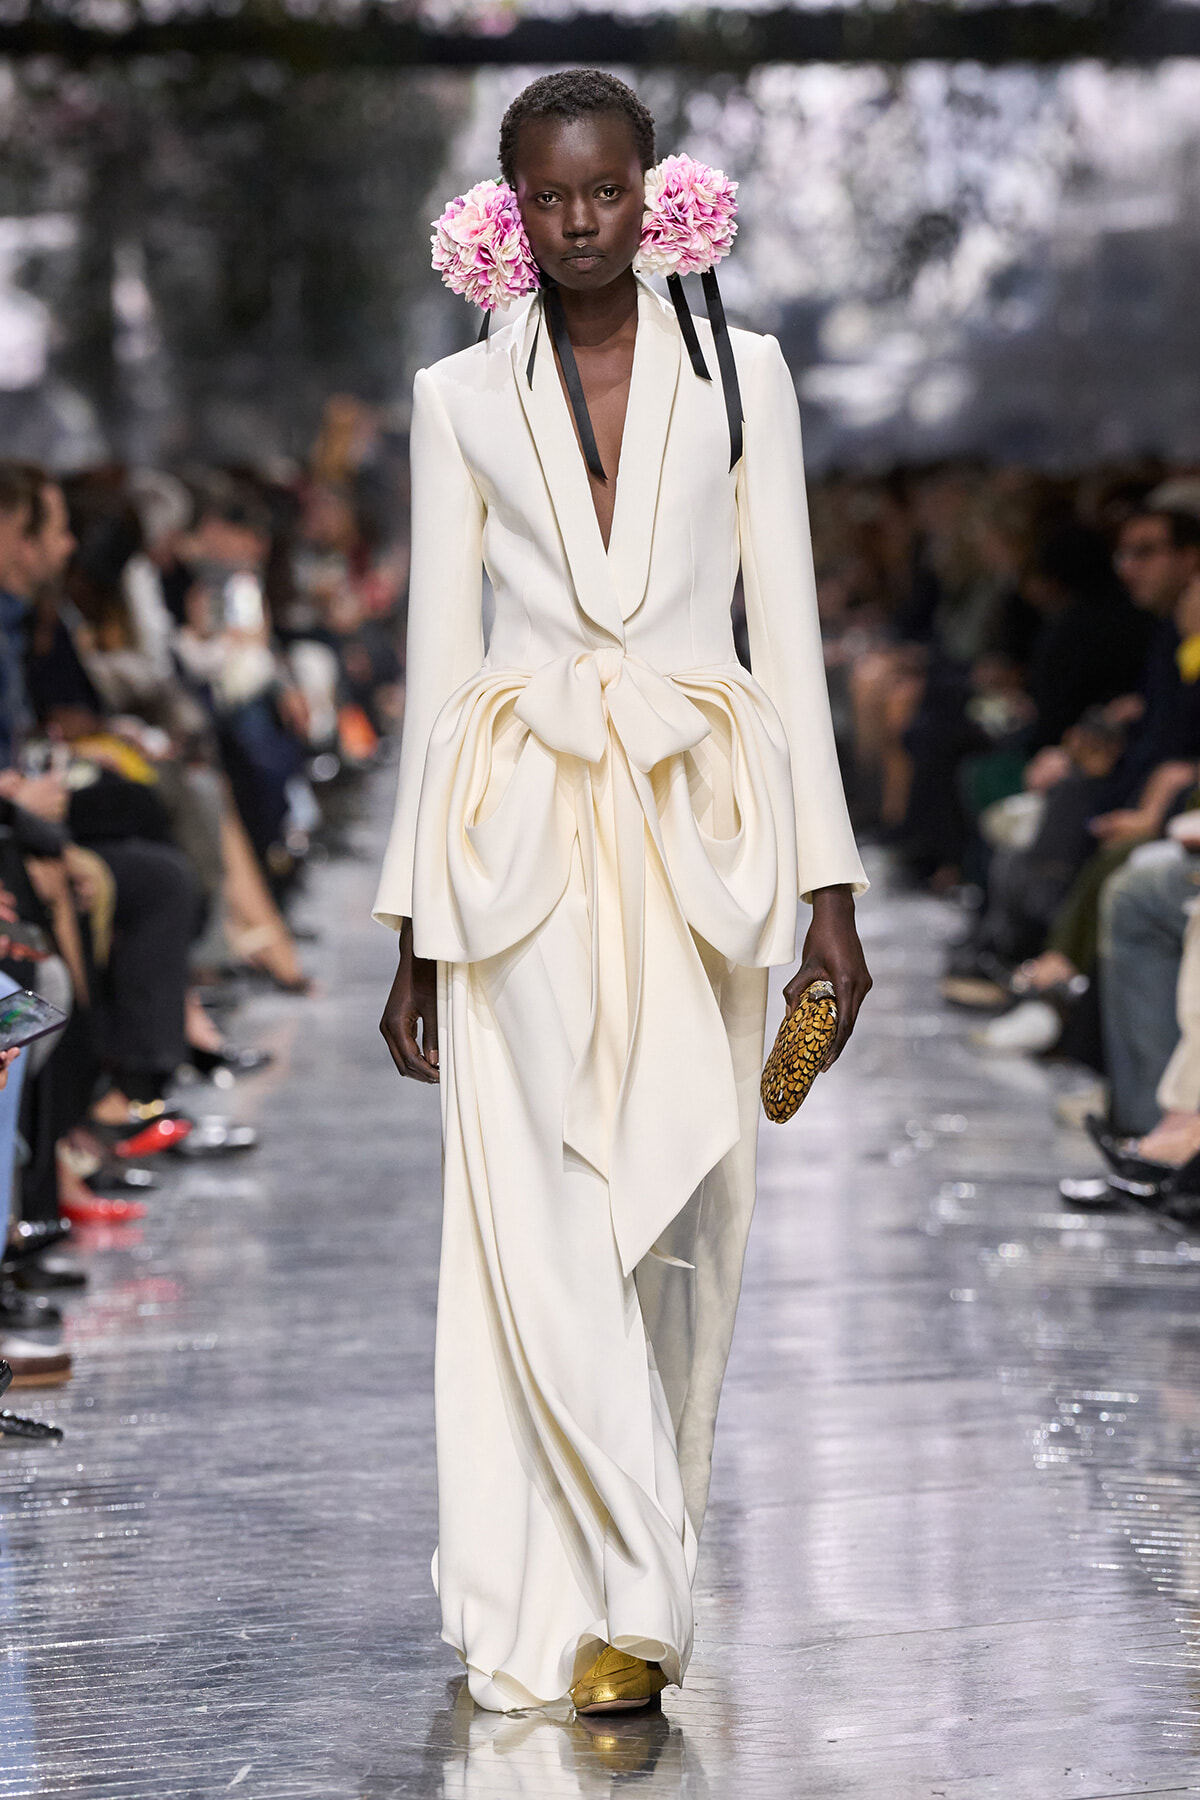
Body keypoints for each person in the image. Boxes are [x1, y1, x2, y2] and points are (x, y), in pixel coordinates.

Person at [376, 71, 870, 1716]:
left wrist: (832, 894)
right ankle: (627, 1602)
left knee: (679, 1218)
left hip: (699, 827)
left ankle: (626, 1578)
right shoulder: (459, 396)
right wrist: (410, 929)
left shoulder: (747, 376)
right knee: (536, 1227)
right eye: (549, 196)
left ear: (653, 192)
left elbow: (786, 638)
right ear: (508, 205)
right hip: (512, 832)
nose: (579, 222)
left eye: (605, 191)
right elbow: (440, 661)